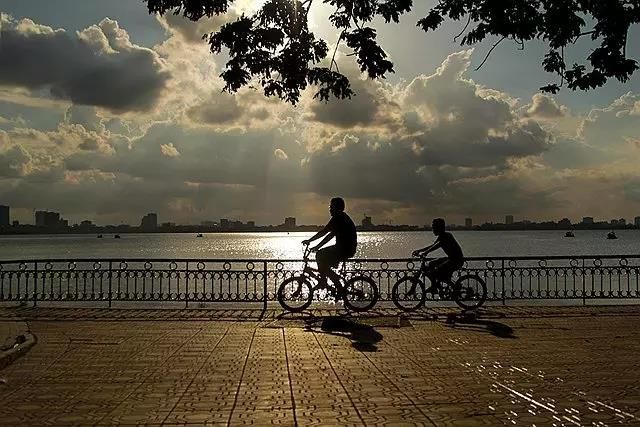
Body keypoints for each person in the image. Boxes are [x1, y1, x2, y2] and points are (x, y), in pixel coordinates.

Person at [303, 197, 357, 297]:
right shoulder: (340, 217)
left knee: (320, 254)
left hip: (345, 249)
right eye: (330, 207)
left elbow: (325, 233)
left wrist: (314, 244)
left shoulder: (339, 218)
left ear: (338, 208)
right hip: (344, 248)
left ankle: (324, 282)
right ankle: (331, 283)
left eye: (332, 207)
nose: (330, 209)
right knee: (324, 262)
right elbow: (329, 234)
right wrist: (314, 243)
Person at [412, 218, 464, 292]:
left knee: (435, 272)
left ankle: (438, 287)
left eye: (434, 228)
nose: (433, 230)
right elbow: (432, 246)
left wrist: (425, 252)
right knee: (431, 264)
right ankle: (437, 285)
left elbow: (437, 245)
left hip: (456, 261)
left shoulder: (446, 236)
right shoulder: (441, 236)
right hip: (451, 259)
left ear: (439, 228)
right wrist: (419, 250)